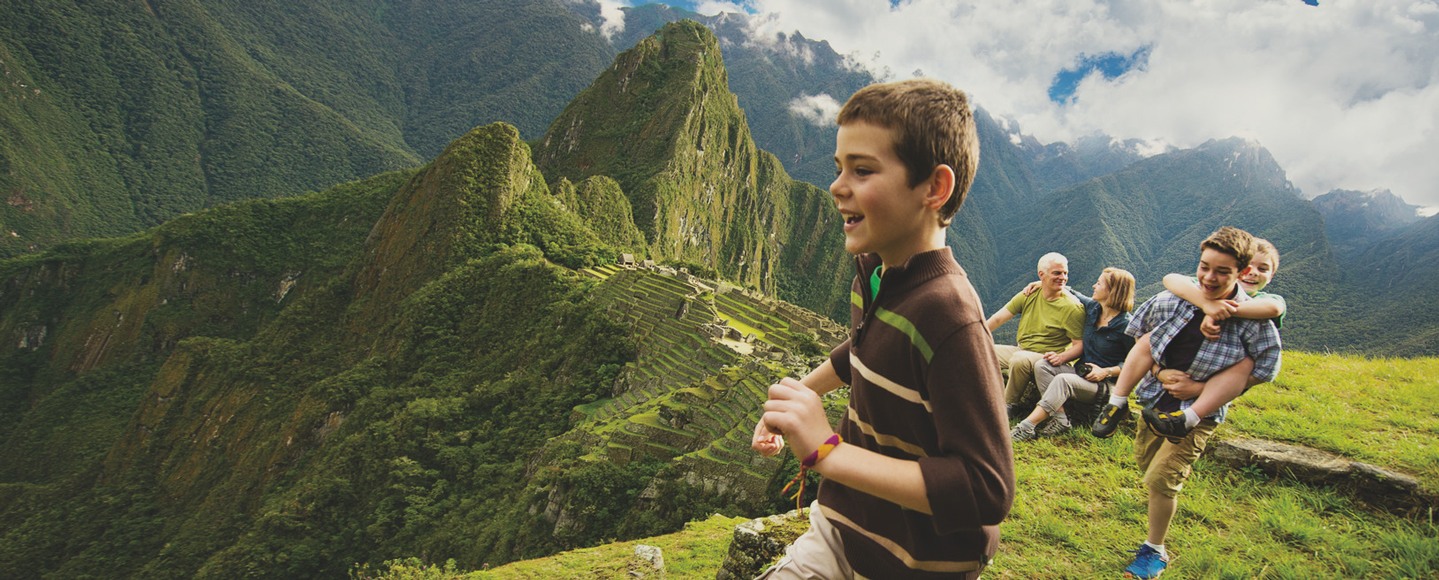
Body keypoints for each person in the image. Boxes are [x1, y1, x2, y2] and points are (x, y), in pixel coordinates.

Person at [750, 78, 1014, 579]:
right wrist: (794, 400)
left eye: (862, 169)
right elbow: (865, 349)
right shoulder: (874, 273)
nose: (836, 185)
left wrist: (827, 450)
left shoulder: (950, 315)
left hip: (915, 562)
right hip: (841, 525)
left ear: (934, 188)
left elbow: (987, 489)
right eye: (838, 168)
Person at [1103, 226, 1282, 579]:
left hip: (1197, 415)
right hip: (1154, 400)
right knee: (1148, 466)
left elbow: (1264, 367)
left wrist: (1201, 389)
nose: (1210, 277)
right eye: (1205, 267)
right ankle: (1117, 401)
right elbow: (1140, 337)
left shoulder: (1250, 317)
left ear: (1241, 273)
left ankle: (1154, 552)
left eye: (1222, 271)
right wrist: (1158, 370)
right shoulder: (1172, 300)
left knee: (1161, 480)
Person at [1091, 239, 1285, 440]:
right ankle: (1117, 402)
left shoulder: (1264, 303)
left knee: (1245, 364)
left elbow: (1273, 309)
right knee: (1149, 339)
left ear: (1239, 272)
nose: (1253, 272)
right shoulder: (1198, 289)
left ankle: (1189, 418)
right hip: (1157, 392)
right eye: (1250, 266)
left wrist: (1219, 312)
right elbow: (1171, 279)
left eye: (1262, 268)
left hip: (1205, 400)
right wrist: (1207, 305)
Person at [1011, 267, 1136, 441]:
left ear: (1112, 291)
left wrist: (1105, 371)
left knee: (1063, 380)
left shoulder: (1127, 326)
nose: (1094, 286)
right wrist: (1043, 283)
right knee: (1043, 366)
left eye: (1099, 283)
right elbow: (1072, 292)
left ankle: (1026, 427)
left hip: (1105, 385)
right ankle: (1060, 419)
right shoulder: (1093, 309)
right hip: (1081, 374)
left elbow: (1135, 365)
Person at [985, 253, 1086, 418]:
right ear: (1041, 275)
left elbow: (1079, 345)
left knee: (1019, 360)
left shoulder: (1072, 307)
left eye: (1065, 273)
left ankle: (1008, 405)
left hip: (1045, 358)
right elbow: (998, 318)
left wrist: (1061, 358)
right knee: (979, 351)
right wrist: (974, 336)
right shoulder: (1030, 294)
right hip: (1021, 348)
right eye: (1057, 273)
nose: (1063, 277)